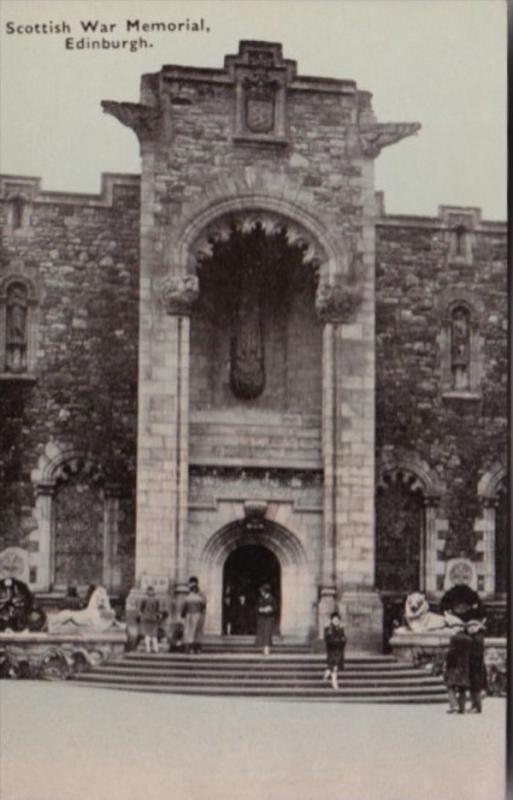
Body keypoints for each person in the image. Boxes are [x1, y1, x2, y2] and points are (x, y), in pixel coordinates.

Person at [444, 624, 472, 713]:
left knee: (450, 686)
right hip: (465, 666)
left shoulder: (454, 638)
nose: (452, 629)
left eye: (453, 628)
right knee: (462, 688)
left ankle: (454, 705)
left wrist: (447, 664)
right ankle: (462, 708)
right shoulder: (469, 639)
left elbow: (451, 653)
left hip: (454, 666)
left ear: (458, 628)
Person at [181, 576, 207, 654]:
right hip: (197, 614)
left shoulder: (194, 596)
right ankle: (195, 649)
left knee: (192, 632)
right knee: (195, 632)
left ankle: (193, 649)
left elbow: (184, 607)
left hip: (194, 615)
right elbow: (203, 606)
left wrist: (183, 615)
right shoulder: (197, 597)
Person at [467, 619, 487, 713]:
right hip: (476, 665)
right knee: (474, 687)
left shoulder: (476, 638)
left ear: (477, 627)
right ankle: (474, 706)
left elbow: (476, 653)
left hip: (475, 665)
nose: (469, 628)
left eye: (472, 626)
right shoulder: (477, 636)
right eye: (468, 627)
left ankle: (477, 707)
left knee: (475, 687)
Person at [323, 612, 346, 690]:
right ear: (332, 620)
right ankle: (334, 682)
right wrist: (338, 641)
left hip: (339, 651)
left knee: (334, 666)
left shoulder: (341, 628)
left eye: (337, 620)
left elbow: (344, 639)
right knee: (335, 667)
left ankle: (327, 672)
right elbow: (328, 640)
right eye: (334, 620)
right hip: (331, 651)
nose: (336, 621)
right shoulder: (328, 628)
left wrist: (341, 641)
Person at [255, 584, 276, 656]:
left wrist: (269, 609)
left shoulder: (272, 599)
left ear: (266, 591)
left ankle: (267, 650)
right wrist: (261, 609)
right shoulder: (261, 599)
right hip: (262, 618)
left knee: (267, 633)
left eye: (262, 591)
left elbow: (274, 608)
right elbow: (257, 608)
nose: (261, 592)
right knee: (263, 634)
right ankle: (264, 649)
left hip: (269, 618)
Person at [139, 586, 160, 654]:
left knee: (147, 634)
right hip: (154, 618)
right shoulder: (156, 599)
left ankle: (148, 649)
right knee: (154, 634)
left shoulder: (144, 599)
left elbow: (141, 609)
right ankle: (155, 649)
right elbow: (157, 609)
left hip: (146, 618)